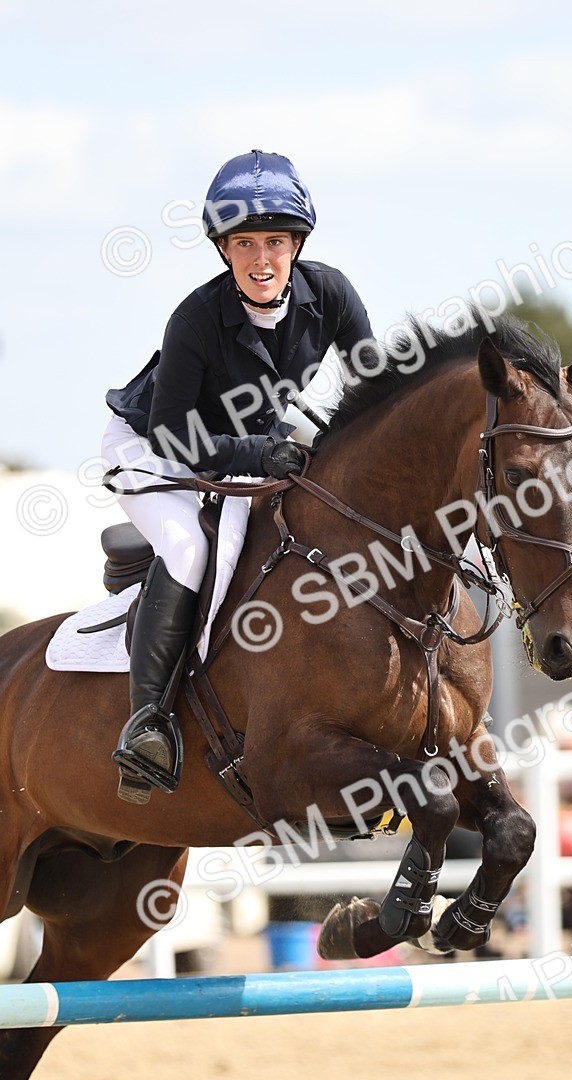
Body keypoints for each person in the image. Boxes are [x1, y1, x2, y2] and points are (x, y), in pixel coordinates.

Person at [102, 149, 373, 804]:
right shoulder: (197, 318)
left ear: (296, 244)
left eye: (274, 242)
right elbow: (172, 434)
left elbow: (375, 387)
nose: (260, 259)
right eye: (244, 243)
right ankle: (148, 724)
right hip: (150, 449)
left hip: (244, 448)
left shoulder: (330, 294)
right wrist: (261, 455)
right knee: (194, 548)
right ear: (223, 249)